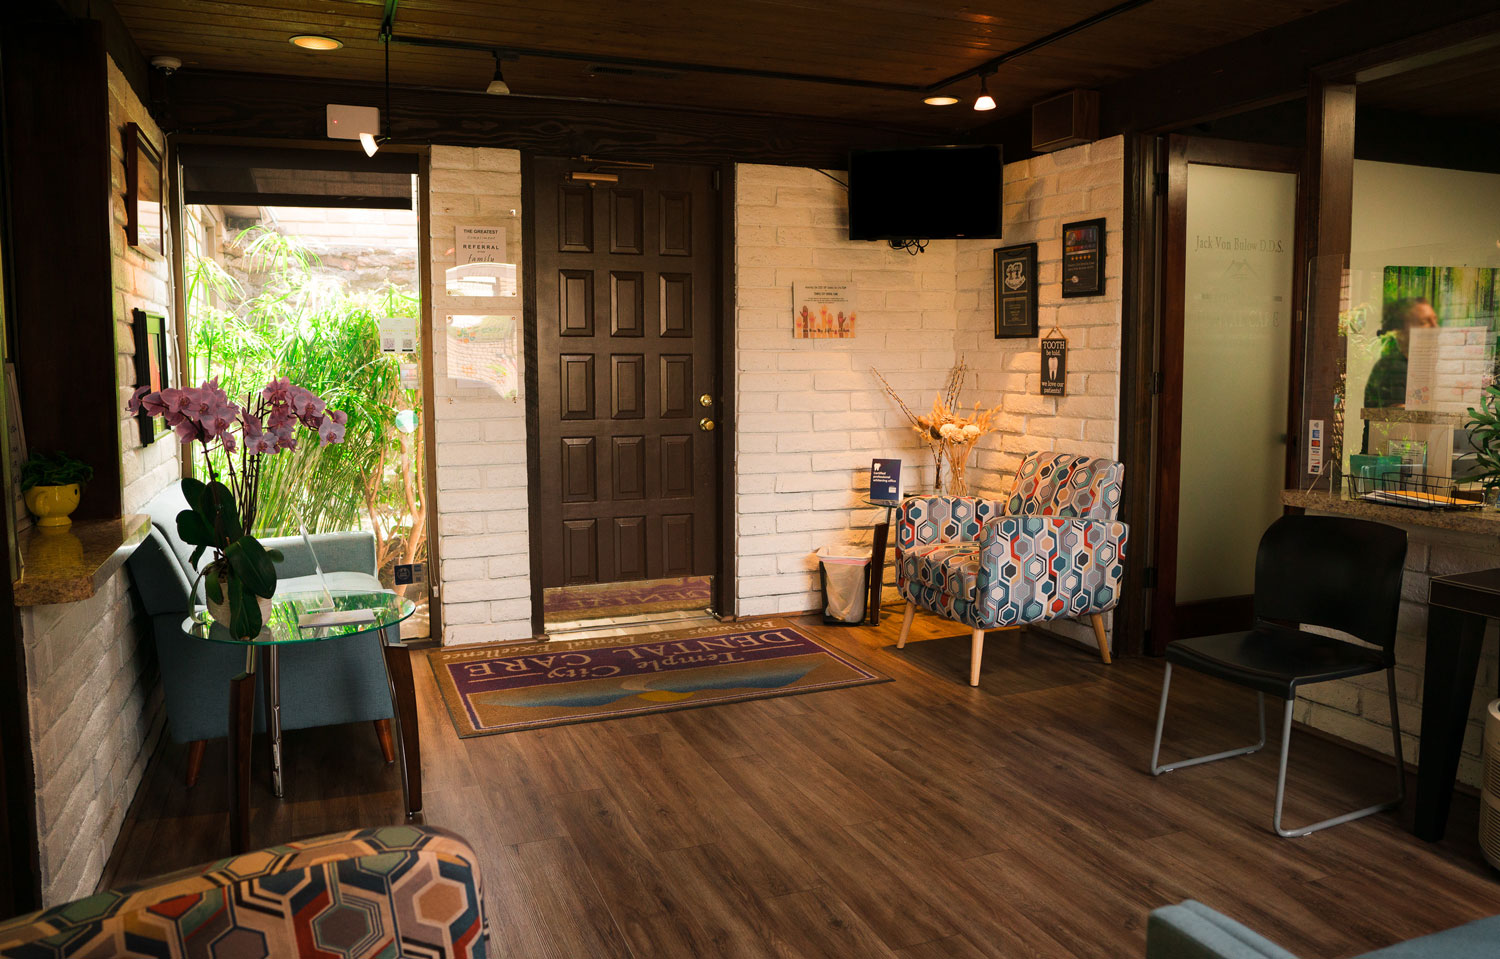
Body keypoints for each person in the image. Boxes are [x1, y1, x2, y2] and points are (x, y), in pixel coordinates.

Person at [1364, 296, 1439, 409]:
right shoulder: (1394, 368)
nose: (1435, 327)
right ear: (1400, 332)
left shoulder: (1427, 365)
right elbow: (1398, 413)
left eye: (1435, 320)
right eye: (1424, 322)